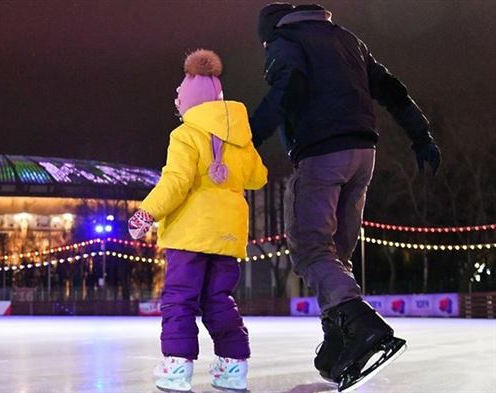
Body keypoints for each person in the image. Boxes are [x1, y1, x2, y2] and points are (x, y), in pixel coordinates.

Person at [251, 3, 441, 391]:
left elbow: (288, 88)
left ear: (269, 32)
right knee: (336, 253)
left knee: (310, 247)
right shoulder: (349, 40)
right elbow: (392, 89)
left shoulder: (285, 41)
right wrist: (421, 135)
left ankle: (361, 323)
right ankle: (338, 342)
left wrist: (248, 136)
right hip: (362, 155)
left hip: (322, 152)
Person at [128, 49, 267, 392]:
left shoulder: (185, 135)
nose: (176, 101)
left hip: (190, 235)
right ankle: (233, 368)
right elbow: (258, 177)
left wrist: (147, 212)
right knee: (219, 299)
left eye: (179, 96)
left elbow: (176, 181)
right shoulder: (241, 138)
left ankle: (176, 368)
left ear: (190, 101)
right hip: (226, 236)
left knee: (180, 299)